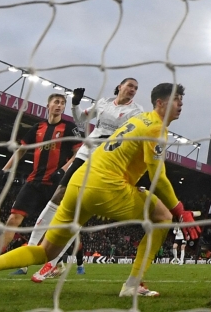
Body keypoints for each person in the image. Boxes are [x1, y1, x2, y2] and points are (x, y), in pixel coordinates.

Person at [0, 83, 200, 299]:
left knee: (46, 251)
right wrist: (180, 210)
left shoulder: (137, 119)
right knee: (163, 216)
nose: (181, 104)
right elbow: (158, 176)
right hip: (106, 186)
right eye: (177, 99)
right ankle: (132, 286)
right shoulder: (156, 129)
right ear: (160, 103)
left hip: (79, 181)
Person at [29, 78, 142, 281]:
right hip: (86, 153)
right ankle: (31, 247)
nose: (133, 90)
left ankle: (52, 263)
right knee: (59, 194)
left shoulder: (137, 112)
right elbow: (81, 119)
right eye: (130, 86)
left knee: (79, 208)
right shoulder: (103, 103)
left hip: (107, 159)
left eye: (135, 88)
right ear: (119, 87)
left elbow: (134, 136)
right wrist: (75, 103)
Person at [0, 93, 83, 269]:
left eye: (62, 103)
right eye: (56, 102)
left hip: (56, 184)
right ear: (48, 105)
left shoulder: (69, 128)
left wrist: (62, 171)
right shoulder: (37, 128)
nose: (60, 105)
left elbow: (78, 154)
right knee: (13, 219)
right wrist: (6, 169)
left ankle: (57, 264)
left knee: (55, 227)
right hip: (34, 182)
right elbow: (21, 150)